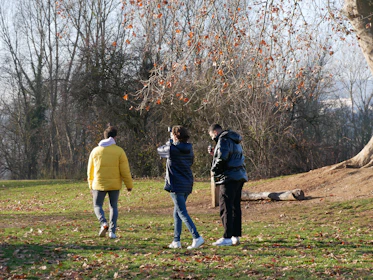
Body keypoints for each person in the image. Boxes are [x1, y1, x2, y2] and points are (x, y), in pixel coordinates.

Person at [157, 125, 204, 249]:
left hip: (176, 184)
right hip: (187, 183)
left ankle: (196, 237)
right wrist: (172, 141)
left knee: (182, 212)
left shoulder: (171, 149)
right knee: (177, 211)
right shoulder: (189, 149)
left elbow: (160, 150)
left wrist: (170, 141)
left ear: (175, 136)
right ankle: (176, 240)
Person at [87, 125, 133, 239]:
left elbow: (90, 170)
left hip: (98, 184)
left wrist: (90, 184)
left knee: (97, 205)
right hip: (114, 184)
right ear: (115, 137)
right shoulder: (119, 151)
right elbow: (125, 170)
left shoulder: (95, 151)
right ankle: (112, 232)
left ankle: (103, 223)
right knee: (113, 207)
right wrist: (129, 185)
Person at [208, 123, 248, 246]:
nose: (212, 139)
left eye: (211, 136)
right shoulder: (234, 140)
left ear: (215, 132)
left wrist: (214, 170)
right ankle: (235, 235)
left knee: (225, 207)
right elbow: (229, 156)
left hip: (228, 177)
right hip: (239, 175)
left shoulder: (223, 140)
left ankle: (227, 237)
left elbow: (222, 158)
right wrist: (215, 153)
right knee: (235, 206)